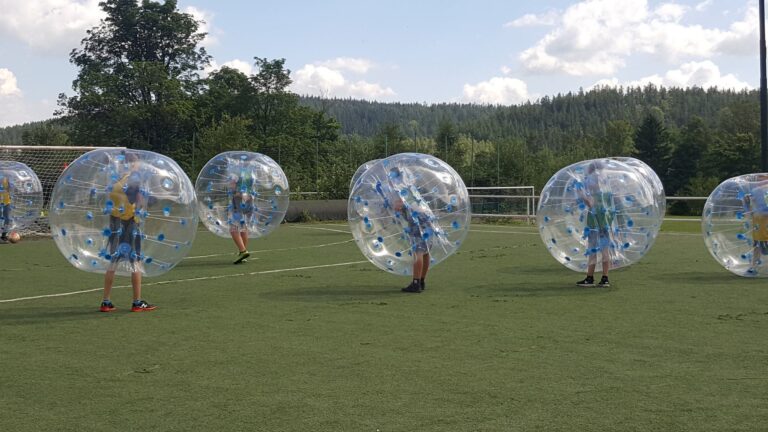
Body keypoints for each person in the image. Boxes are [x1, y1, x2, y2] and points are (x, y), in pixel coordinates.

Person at [100, 152, 156, 312]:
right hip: (130, 223)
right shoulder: (133, 179)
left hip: (114, 223)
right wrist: (150, 200)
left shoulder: (115, 179)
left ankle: (106, 301)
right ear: (132, 164)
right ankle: (137, 302)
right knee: (135, 261)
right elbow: (137, 200)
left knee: (113, 261)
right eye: (137, 163)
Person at [576, 161, 615, 288]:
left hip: (594, 218)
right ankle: (605, 278)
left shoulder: (592, 185)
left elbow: (589, 203)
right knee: (605, 248)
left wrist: (581, 193)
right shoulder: (606, 186)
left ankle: (590, 277)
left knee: (592, 248)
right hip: (605, 218)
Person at [394, 194, 432, 293]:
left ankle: (416, 283)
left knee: (418, 252)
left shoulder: (397, 185)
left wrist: (397, 206)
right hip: (425, 216)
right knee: (425, 251)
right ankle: (421, 281)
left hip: (417, 219)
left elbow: (400, 203)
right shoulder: (410, 183)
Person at [743, 175, 768, 275]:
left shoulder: (760, 192)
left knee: (758, 249)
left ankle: (754, 267)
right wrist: (746, 203)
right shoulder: (756, 192)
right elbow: (749, 214)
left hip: (764, 229)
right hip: (758, 229)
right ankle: (753, 267)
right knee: (757, 248)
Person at [229, 169, 254, 264]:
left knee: (233, 227)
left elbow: (232, 186)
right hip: (249, 201)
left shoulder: (235, 172)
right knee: (243, 226)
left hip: (238, 200)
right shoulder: (250, 172)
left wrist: (232, 190)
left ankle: (243, 251)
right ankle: (242, 253)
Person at [0, 174, 11, 242]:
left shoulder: (6, 178)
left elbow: (9, 189)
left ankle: (4, 235)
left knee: (7, 218)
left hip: (6, 201)